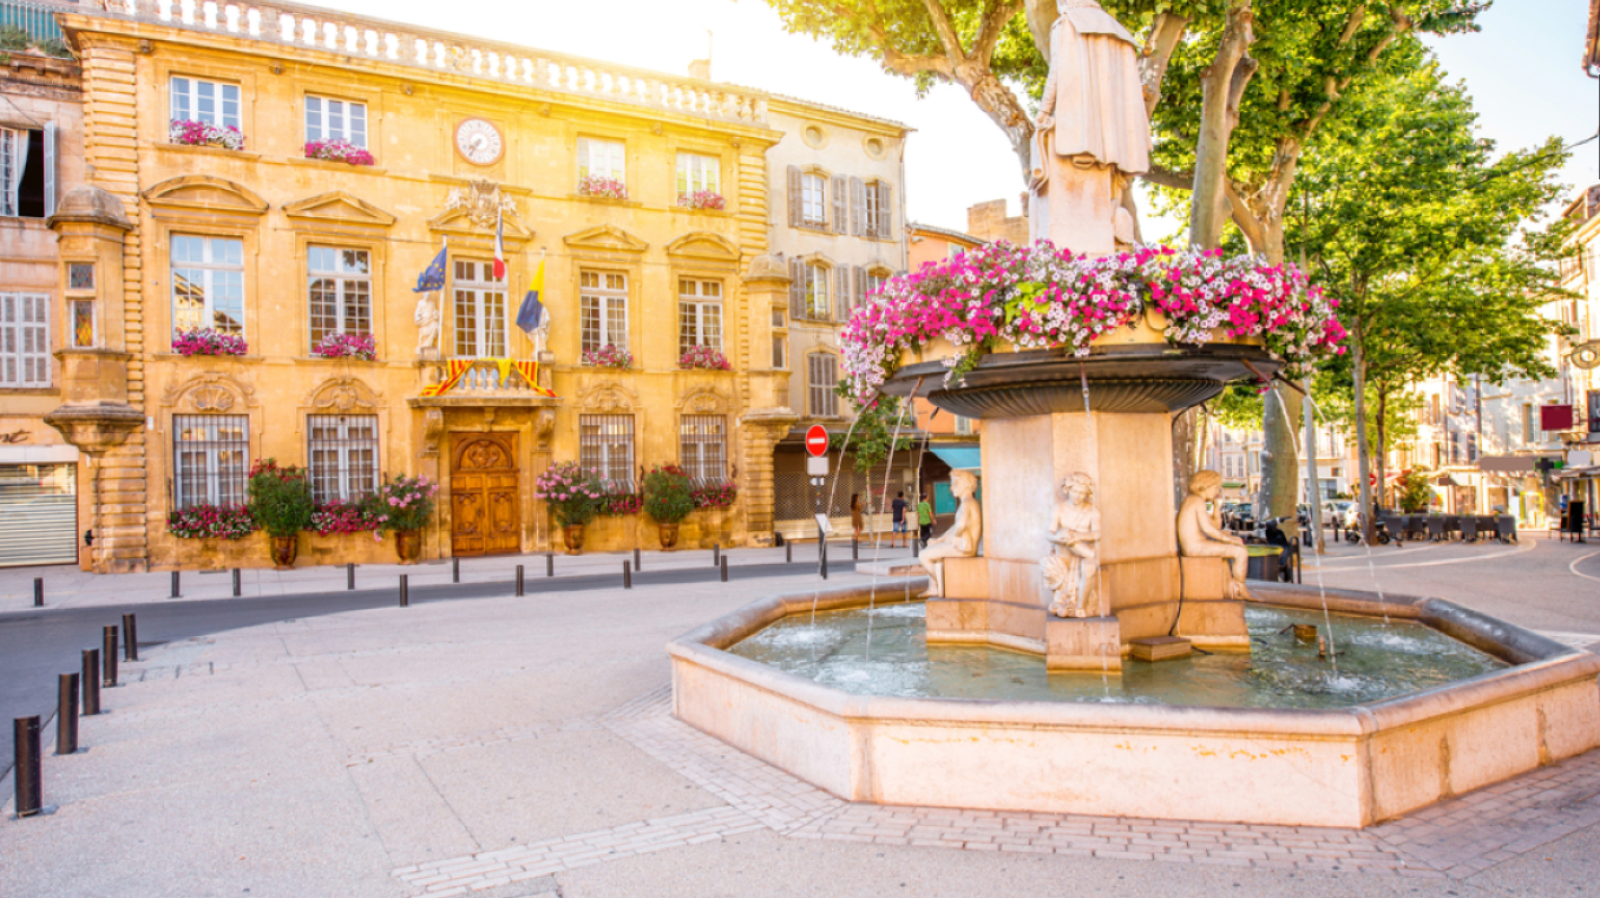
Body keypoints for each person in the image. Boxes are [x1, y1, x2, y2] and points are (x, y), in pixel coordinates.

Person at [1177, 470, 1251, 600]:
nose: (1216, 492)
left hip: (1198, 544)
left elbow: (1216, 526)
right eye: (1215, 488)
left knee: (1237, 542)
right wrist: (1228, 540)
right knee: (1240, 552)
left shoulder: (1194, 500)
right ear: (1206, 485)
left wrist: (1216, 506)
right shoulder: (1196, 501)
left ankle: (1231, 588)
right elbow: (1208, 529)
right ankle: (1240, 589)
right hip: (1195, 547)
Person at [919, 471, 981, 598]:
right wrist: (940, 540)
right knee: (932, 548)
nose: (951, 488)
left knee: (924, 555)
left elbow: (960, 526)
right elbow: (955, 527)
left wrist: (953, 538)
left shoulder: (967, 503)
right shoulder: (969, 502)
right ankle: (934, 588)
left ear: (964, 485)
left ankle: (945, 583)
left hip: (964, 548)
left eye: (954, 484)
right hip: (963, 546)